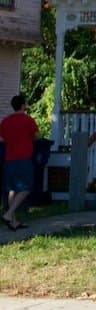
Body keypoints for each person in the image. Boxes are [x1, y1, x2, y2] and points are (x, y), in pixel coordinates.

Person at [0, 94, 40, 231]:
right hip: (23, 159)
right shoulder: (28, 120)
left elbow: (1, 139)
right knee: (25, 188)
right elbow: (37, 136)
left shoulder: (5, 121)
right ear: (23, 105)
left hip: (9, 160)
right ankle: (9, 214)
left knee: (12, 190)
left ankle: (13, 222)